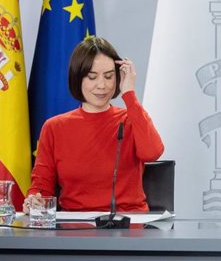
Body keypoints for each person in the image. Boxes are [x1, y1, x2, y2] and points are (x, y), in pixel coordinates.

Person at [23, 37, 164, 213]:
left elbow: (153, 152)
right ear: (78, 78)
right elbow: (41, 188)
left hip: (128, 227)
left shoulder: (131, 119)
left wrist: (129, 94)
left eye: (109, 76)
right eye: (92, 77)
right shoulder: (54, 127)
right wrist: (34, 201)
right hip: (75, 229)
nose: (102, 85)